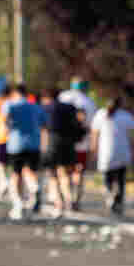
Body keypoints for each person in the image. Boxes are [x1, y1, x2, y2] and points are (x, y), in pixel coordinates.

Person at [0, 83, 44, 220]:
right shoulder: (35, 107)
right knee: (29, 170)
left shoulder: (9, 105)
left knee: (16, 174)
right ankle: (35, 188)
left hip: (16, 143)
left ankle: (18, 204)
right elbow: (44, 123)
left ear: (14, 93)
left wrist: (8, 130)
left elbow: (5, 122)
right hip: (34, 143)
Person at [90, 95, 134, 215]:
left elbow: (94, 133)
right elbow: (132, 135)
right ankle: (119, 199)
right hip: (122, 151)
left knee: (108, 178)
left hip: (106, 152)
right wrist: (133, 150)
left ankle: (110, 193)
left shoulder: (100, 114)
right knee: (121, 179)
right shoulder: (125, 115)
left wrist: (93, 149)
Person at [41, 86, 83, 217]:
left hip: (53, 142)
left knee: (53, 174)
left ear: (47, 97)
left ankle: (58, 203)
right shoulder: (70, 107)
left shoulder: (46, 108)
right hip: (69, 143)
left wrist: (43, 148)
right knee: (66, 172)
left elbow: (43, 129)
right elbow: (79, 120)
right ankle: (70, 199)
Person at [57, 78, 98, 210]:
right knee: (79, 171)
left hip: (64, 141)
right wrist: (93, 145)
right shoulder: (89, 102)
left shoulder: (63, 97)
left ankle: (68, 197)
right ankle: (76, 199)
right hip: (82, 142)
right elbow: (93, 127)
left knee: (64, 171)